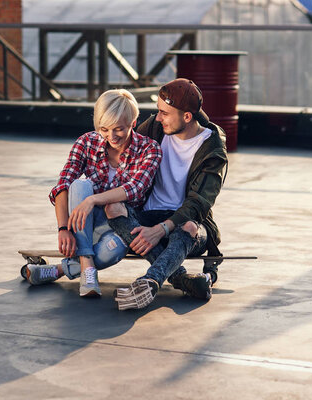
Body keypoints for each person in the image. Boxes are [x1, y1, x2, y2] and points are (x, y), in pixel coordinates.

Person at [21, 89, 162, 297]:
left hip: (122, 224)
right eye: (104, 129)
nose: (111, 136)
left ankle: (58, 270)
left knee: (114, 249)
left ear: (133, 122)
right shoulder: (87, 142)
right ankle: (87, 265)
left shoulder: (150, 149)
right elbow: (62, 185)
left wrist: (93, 200)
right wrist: (63, 229)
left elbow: (135, 189)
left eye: (119, 129)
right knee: (78, 186)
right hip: (83, 223)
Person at [106, 78, 228, 310]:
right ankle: (181, 279)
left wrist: (161, 229)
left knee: (190, 226)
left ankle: (150, 281)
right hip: (145, 219)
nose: (158, 117)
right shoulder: (155, 128)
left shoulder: (213, 151)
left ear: (187, 117)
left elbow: (198, 204)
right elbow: (121, 147)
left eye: (164, 113)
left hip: (185, 226)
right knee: (113, 207)